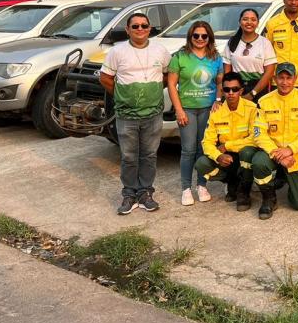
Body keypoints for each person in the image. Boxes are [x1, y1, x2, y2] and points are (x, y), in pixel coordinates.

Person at [99, 12, 171, 215]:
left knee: (149, 155)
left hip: (153, 113)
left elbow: (167, 75)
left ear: (149, 28)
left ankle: (146, 192)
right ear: (128, 29)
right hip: (127, 116)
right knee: (129, 156)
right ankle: (129, 194)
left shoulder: (160, 50)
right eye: (135, 26)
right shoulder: (117, 51)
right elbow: (105, 78)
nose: (140, 29)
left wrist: (152, 93)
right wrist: (123, 96)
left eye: (144, 26)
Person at [251, 62, 298, 219]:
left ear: (295, 79)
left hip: (297, 156)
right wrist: (277, 154)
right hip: (272, 153)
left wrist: (289, 150)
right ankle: (269, 199)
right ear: (274, 79)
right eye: (281, 78)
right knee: (258, 162)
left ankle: (289, 181)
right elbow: (259, 133)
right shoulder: (264, 101)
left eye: (289, 78)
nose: (284, 82)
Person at [167, 21, 224, 207]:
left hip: (208, 109)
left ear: (209, 38)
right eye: (196, 35)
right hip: (188, 110)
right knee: (188, 150)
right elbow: (171, 85)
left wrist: (217, 100)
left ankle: (201, 185)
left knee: (203, 149)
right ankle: (185, 188)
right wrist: (179, 109)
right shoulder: (180, 57)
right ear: (190, 36)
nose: (200, 39)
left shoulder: (215, 57)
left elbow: (220, 82)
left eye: (204, 36)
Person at [193, 71, 259, 211]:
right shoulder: (216, 112)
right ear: (222, 91)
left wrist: (228, 145)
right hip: (226, 156)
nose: (230, 93)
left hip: (244, 152)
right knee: (201, 164)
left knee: (247, 153)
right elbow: (207, 142)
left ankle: (244, 192)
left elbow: (255, 139)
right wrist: (218, 156)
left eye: (235, 89)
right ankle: (232, 182)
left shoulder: (251, 109)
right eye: (226, 89)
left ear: (241, 91)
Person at [222, 8, 276, 99]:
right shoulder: (232, 42)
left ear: (258, 23)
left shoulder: (265, 43)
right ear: (240, 22)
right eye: (245, 19)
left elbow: (269, 72)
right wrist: (232, 90)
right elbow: (227, 72)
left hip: (259, 89)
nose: (249, 22)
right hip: (236, 90)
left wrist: (253, 93)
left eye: (253, 20)